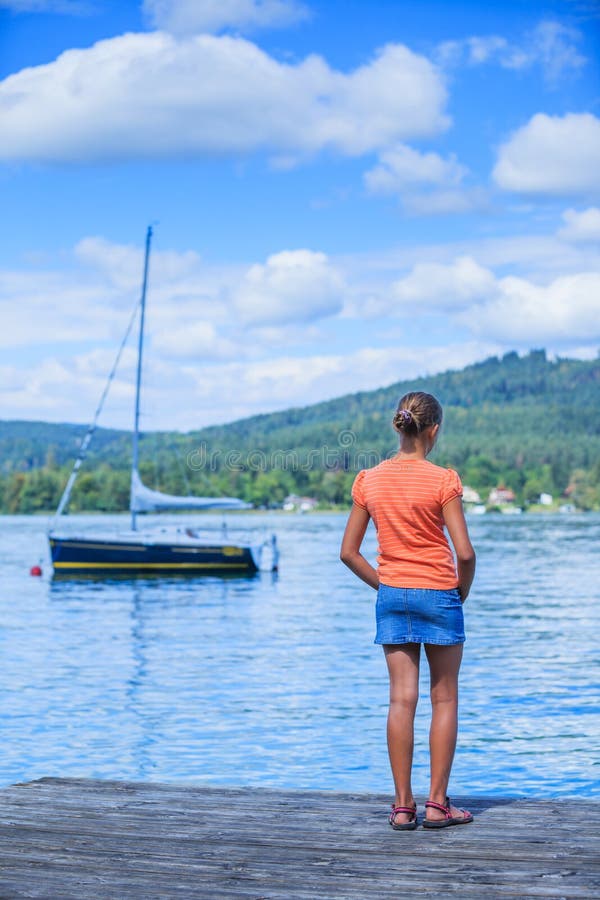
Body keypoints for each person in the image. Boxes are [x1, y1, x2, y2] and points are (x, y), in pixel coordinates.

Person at [340, 391, 476, 830]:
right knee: (445, 697)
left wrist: (389, 586)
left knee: (401, 699)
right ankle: (437, 804)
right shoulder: (443, 480)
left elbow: (349, 552)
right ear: (433, 430)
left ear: (398, 426)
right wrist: (460, 593)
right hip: (439, 592)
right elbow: (466, 553)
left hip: (393, 595)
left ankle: (402, 807)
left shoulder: (369, 480)